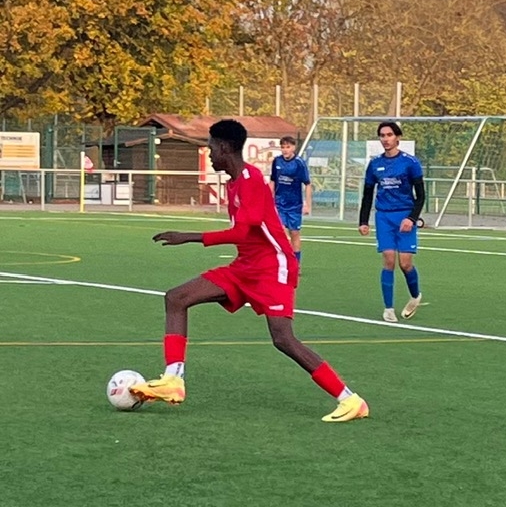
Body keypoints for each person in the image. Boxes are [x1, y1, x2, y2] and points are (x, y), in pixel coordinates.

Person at [130, 119, 368, 423]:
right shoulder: (233, 181)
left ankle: (350, 400)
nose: (209, 153)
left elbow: (242, 232)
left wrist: (189, 236)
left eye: (211, 147)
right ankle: (173, 380)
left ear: (224, 148)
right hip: (245, 266)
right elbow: (245, 238)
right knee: (176, 298)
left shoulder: (251, 179)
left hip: (273, 267)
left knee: (283, 339)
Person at [358, 121, 425, 323]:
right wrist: (363, 221)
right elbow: (367, 194)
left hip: (404, 216)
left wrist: (411, 218)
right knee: (388, 260)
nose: (385, 139)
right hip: (384, 217)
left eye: (389, 135)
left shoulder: (410, 162)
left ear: (398, 137)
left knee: (405, 264)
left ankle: (415, 295)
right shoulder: (375, 164)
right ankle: (388, 309)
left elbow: (421, 196)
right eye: (382, 135)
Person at [269, 136, 312, 264]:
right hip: (279, 204)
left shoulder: (299, 163)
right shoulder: (277, 161)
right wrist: (269, 199)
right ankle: (283, 261)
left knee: (294, 233)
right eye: (283, 147)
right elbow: (273, 181)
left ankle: (295, 263)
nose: (285, 150)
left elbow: (308, 184)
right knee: (280, 232)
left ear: (293, 148)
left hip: (294, 205)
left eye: (288, 147)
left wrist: (307, 204)